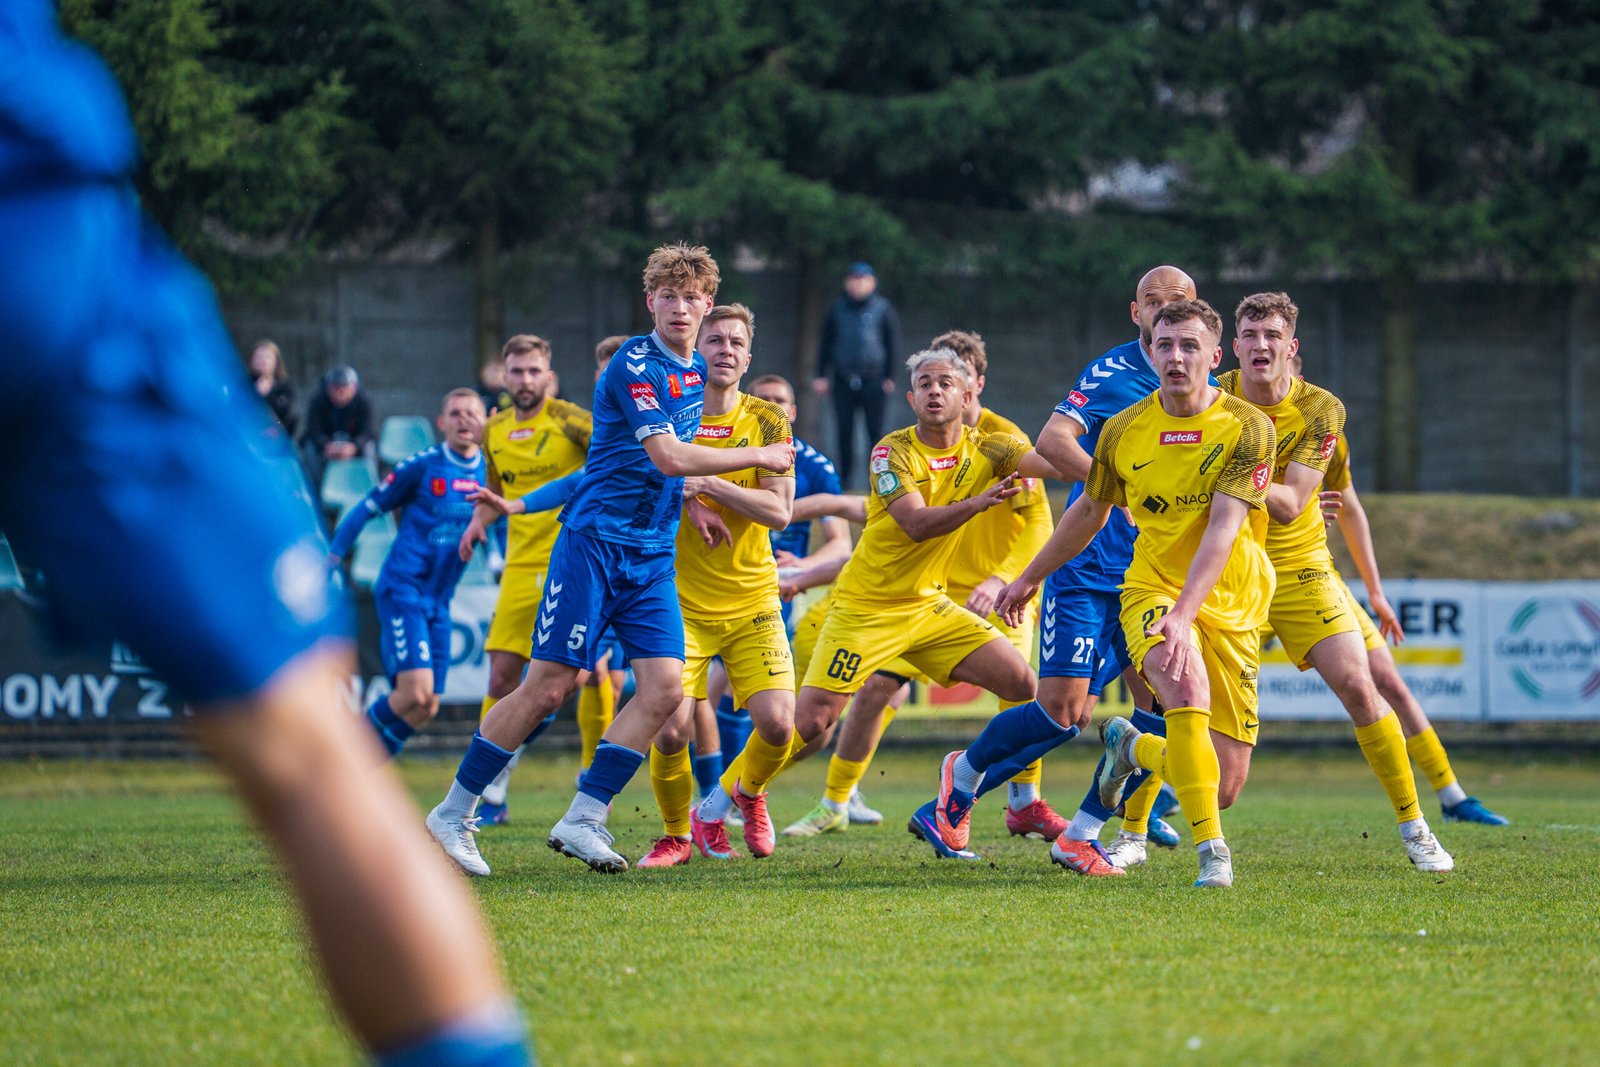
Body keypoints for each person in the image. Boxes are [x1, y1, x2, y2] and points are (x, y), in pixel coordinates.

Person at [0, 6, 529, 1062]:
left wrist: (494, 520)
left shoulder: (482, 470)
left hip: (43, 231)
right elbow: (374, 503)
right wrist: (342, 548)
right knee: (317, 747)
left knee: (375, 719)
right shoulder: (421, 465)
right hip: (39, 239)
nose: (469, 420)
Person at [425, 243, 793, 876]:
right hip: (594, 543)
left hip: (652, 555)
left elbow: (668, 469)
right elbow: (668, 456)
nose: (681, 308)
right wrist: (756, 458)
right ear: (651, 301)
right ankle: (454, 812)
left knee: (664, 690)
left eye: (692, 298)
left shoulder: (697, 374)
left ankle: (584, 817)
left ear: (707, 305)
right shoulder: (633, 363)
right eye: (669, 296)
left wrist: (695, 502)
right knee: (547, 688)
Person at [698, 346, 1060, 858]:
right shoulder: (891, 452)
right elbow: (915, 524)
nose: (934, 391)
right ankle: (723, 803)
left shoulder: (992, 446)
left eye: (945, 383)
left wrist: (1104, 456)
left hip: (929, 608)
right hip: (866, 609)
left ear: (967, 395)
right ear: (910, 398)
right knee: (810, 723)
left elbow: (1052, 464)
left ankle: (970, 781)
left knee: (1022, 684)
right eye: (925, 384)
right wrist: (978, 503)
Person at [992, 299, 1276, 888]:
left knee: (1223, 785)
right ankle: (1213, 855)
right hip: (1151, 586)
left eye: (1190, 346)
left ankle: (1130, 750)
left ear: (1214, 357)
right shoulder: (1123, 429)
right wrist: (1029, 577)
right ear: (1149, 351)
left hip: (1233, 598)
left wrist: (1189, 612)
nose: (1176, 357)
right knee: (1184, 692)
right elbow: (1088, 512)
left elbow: (1223, 528)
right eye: (1164, 345)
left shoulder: (1250, 427)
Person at [995, 266, 1200, 876]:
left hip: (1156, 572)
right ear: (1135, 312)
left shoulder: (1211, 385)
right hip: (1091, 567)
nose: (1163, 311)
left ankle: (1124, 822)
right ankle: (972, 782)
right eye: (1152, 303)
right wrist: (1117, 485)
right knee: (1068, 711)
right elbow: (1054, 442)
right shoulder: (1112, 373)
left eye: (1178, 302)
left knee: (1159, 703)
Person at [636, 304, 797, 867]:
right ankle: (675, 836)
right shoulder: (665, 413)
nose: (725, 349)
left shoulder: (770, 420)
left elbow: (779, 513)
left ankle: (744, 794)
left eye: (736, 342)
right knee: (670, 730)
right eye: (715, 340)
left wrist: (704, 483)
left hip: (753, 597)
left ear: (748, 359)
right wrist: (687, 494)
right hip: (675, 598)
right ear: (694, 350)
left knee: (779, 725)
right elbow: (642, 479)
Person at [1311, 392, 1507, 825]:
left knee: (1386, 680)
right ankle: (1165, 791)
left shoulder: (1323, 430)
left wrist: (1375, 592)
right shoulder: (1237, 421)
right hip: (1244, 578)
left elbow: (1350, 508)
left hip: (1313, 578)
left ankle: (1452, 797)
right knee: (1198, 690)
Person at [455, 334, 592, 826]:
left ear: (549, 376)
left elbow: (613, 464)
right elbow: (496, 488)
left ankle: (505, 760)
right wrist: (477, 522)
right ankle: (486, 792)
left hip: (572, 561)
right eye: (516, 371)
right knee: (499, 678)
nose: (525, 380)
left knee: (570, 681)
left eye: (534, 371)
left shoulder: (574, 421)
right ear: (504, 377)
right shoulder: (493, 430)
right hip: (518, 567)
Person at [327, 389, 488, 757]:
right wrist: (333, 556)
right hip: (404, 589)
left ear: (485, 421)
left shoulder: (490, 472)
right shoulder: (423, 465)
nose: (464, 419)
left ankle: (365, 770)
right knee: (412, 692)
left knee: (427, 704)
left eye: (472, 413)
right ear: (441, 423)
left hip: (440, 600)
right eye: (455, 413)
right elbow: (367, 507)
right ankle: (340, 759)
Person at [813, 262, 902, 486]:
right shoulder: (837, 309)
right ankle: (844, 484)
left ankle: (878, 484)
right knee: (844, 433)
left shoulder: (882, 308)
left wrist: (890, 377)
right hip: (842, 379)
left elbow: (892, 343)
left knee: (876, 434)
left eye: (863, 280)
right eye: (854, 279)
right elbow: (825, 343)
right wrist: (821, 375)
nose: (858, 284)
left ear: (872, 282)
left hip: (874, 380)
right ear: (847, 282)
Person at [301, 364, 376, 499]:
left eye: (344, 388)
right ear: (328, 388)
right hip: (326, 445)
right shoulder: (318, 400)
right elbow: (313, 429)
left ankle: (371, 493)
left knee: (369, 449)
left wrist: (354, 446)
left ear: (353, 388)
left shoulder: (363, 401)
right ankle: (317, 494)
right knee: (309, 449)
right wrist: (325, 445)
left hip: (353, 445)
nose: (340, 394)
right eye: (335, 389)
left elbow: (368, 430)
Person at [248, 339, 298, 436]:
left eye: (267, 357)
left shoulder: (284, 387)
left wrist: (268, 395)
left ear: (276, 362)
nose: (262, 360)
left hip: (276, 435)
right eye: (258, 357)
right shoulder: (243, 383)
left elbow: (288, 415)